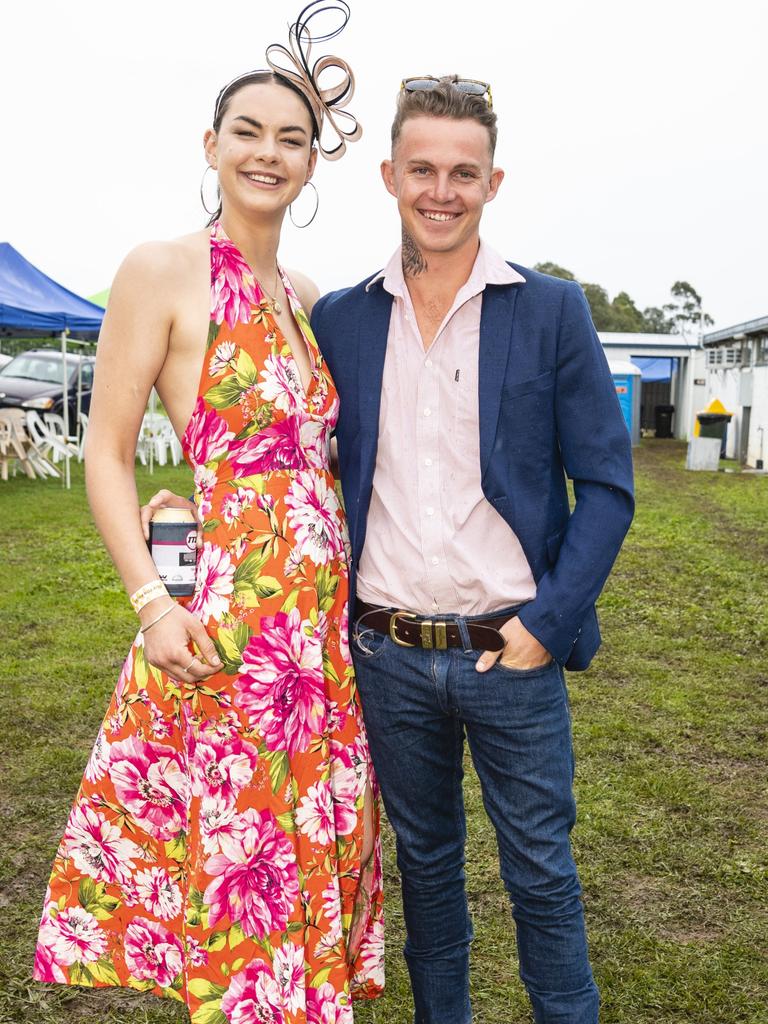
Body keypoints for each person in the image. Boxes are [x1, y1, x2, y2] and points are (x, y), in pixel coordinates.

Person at [32, 5, 384, 1022]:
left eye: (292, 138)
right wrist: (151, 600)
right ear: (211, 144)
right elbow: (105, 451)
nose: (269, 154)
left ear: (313, 162)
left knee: (313, 842)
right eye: (249, 132)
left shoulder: (305, 293)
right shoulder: (164, 268)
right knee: (243, 853)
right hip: (227, 617)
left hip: (318, 624)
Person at [308, 78, 635, 1023]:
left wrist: (545, 624)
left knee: (540, 870)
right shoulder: (342, 318)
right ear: (389, 175)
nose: (440, 190)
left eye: (462, 172)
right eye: (422, 169)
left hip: (511, 649)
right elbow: (306, 457)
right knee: (428, 871)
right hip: (389, 653)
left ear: (494, 181)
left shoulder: (551, 310)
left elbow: (607, 488)